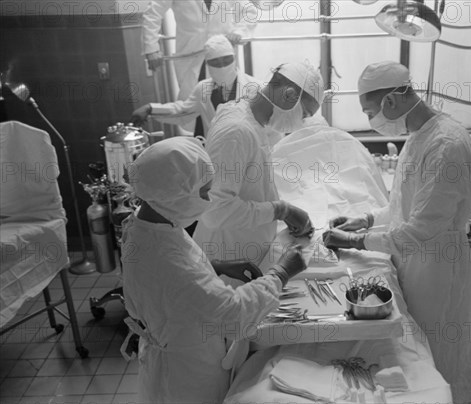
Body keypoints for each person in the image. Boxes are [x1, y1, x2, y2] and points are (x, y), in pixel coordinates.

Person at [323, 61, 471, 403]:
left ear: (391, 103)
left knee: (441, 361)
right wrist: (365, 220)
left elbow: (421, 228)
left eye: (369, 112)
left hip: (439, 272)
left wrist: (355, 242)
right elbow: (403, 206)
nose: (370, 120)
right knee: (418, 354)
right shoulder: (418, 136)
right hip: (416, 265)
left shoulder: (446, 145)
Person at [121, 136, 307, 404]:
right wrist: (281, 273)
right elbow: (232, 313)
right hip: (186, 376)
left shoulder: (147, 222)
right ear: (174, 194)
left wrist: (213, 265)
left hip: (172, 344)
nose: (208, 200)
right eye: (203, 192)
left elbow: (169, 278)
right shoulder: (164, 252)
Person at [193, 62, 325, 267]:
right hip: (228, 259)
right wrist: (282, 210)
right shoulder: (237, 132)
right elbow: (215, 211)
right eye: (305, 114)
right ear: (289, 95)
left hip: (246, 252)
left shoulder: (246, 116)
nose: (302, 122)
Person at [131, 35, 280, 144]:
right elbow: (182, 111)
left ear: (234, 59)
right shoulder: (203, 89)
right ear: (208, 64)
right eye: (215, 62)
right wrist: (150, 108)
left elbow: (273, 130)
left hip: (252, 157)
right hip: (216, 156)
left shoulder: (256, 88)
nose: (222, 66)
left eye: (226, 60)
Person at [142, 0, 258, 100]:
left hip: (223, 54)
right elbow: (153, 13)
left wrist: (239, 32)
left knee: (228, 101)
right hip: (192, 55)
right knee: (195, 105)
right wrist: (151, 48)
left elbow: (249, 11)